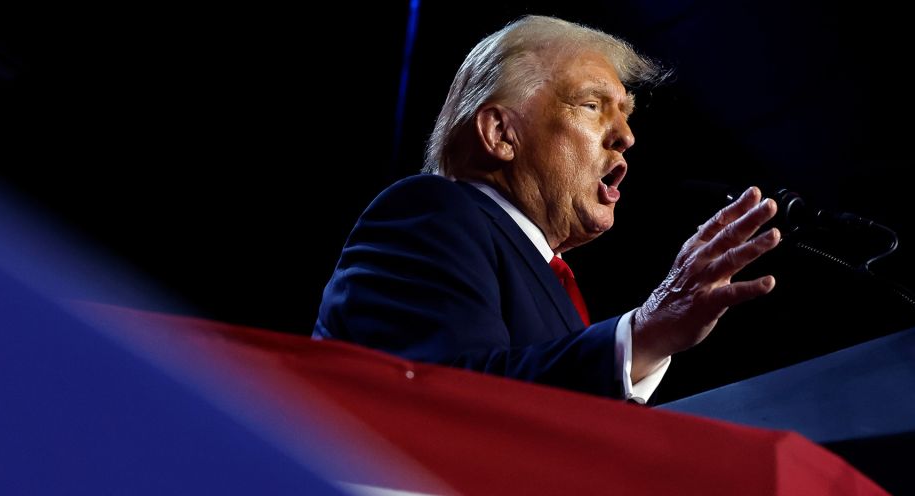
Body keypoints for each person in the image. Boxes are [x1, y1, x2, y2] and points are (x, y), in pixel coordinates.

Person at [313, 15, 780, 402]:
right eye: (592, 105)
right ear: (500, 133)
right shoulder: (428, 213)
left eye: (626, 114)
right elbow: (449, 398)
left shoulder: (548, 280)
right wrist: (644, 335)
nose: (626, 137)